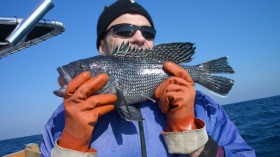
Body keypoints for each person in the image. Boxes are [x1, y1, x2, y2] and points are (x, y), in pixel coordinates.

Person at [40, 0, 256, 157]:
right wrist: (71, 148)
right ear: (101, 48)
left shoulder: (203, 107)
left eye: (148, 32)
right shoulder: (63, 121)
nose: (139, 37)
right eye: (124, 30)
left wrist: (196, 142)